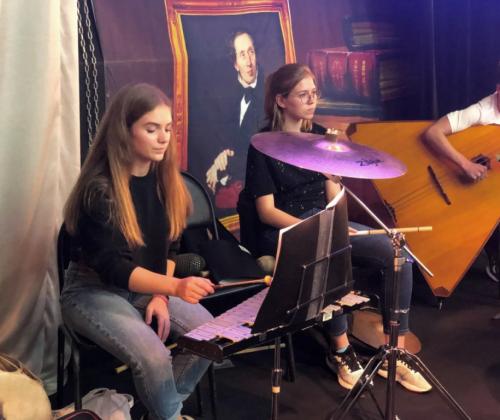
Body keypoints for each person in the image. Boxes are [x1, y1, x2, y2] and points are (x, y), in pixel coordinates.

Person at [242, 63, 432, 393]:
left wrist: (336, 201)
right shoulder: (262, 145)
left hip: (324, 219)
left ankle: (394, 350)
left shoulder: (321, 136)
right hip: (285, 229)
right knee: (326, 252)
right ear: (281, 100)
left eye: (315, 93)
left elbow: (332, 198)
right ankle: (341, 351)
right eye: (303, 94)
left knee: (397, 253)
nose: (312, 100)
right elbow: (267, 212)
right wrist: (319, 229)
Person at [60, 83, 215, 420]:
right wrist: (173, 287)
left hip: (146, 287)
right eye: (152, 129)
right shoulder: (99, 190)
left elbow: (170, 251)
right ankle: (169, 414)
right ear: (124, 132)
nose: (163, 138)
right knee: (155, 357)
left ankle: (162, 411)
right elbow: (114, 268)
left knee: (210, 335)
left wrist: (161, 295)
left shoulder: (165, 182)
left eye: (168, 129)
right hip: (91, 291)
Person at [423, 61, 500, 282]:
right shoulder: (482, 111)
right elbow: (433, 133)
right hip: (469, 192)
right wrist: (465, 164)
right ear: (498, 89)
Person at [204, 30, 266, 212]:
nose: (249, 61)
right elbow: (217, 135)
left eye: (251, 52)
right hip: (230, 170)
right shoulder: (226, 93)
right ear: (235, 64)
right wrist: (219, 158)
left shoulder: (268, 92)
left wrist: (221, 166)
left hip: (257, 176)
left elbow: (260, 151)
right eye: (242, 54)